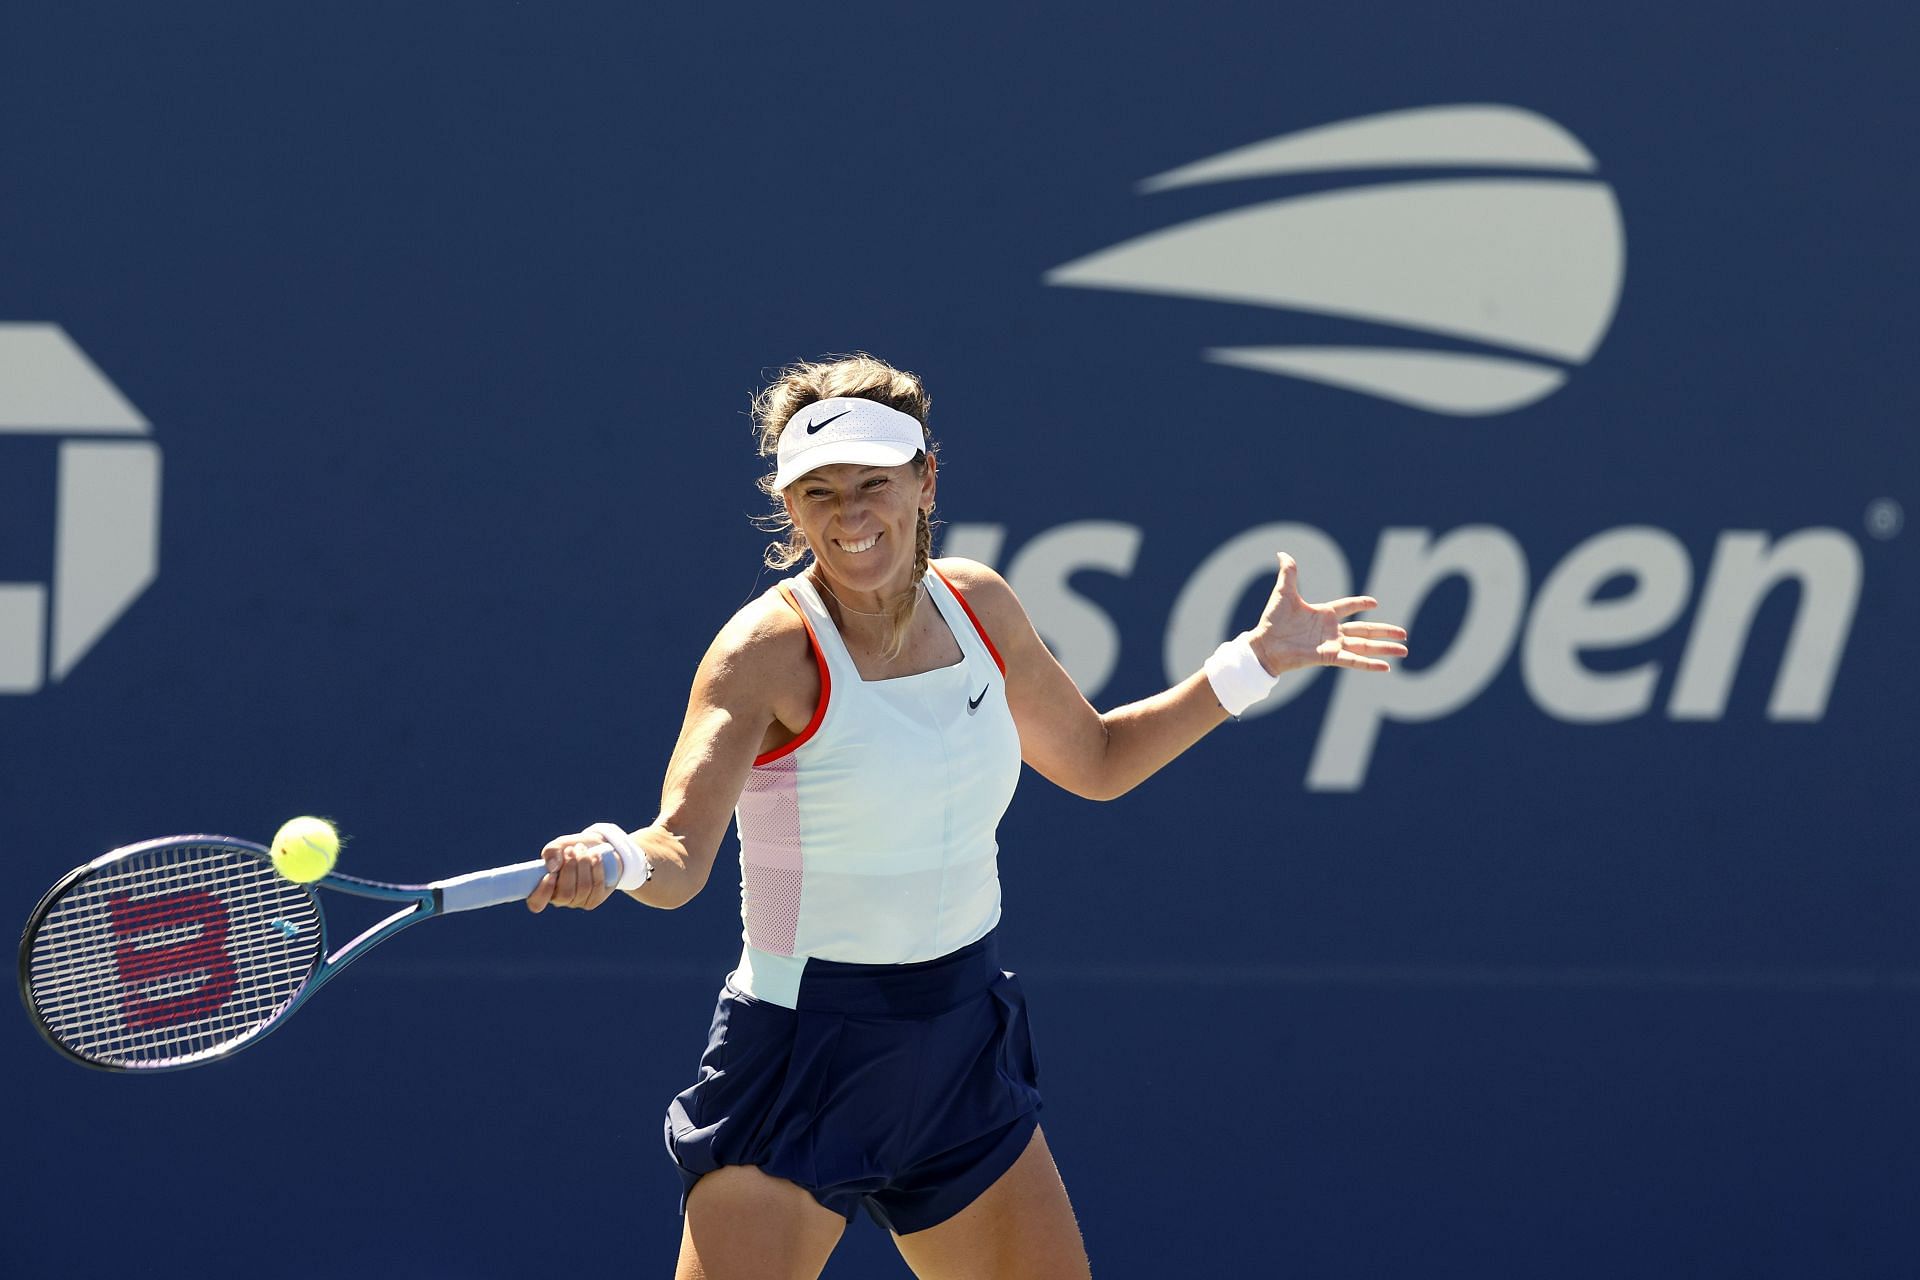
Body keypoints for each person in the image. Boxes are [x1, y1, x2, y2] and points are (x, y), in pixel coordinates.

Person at [526, 354, 1408, 1280]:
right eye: (819, 492)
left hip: (957, 1045)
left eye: (873, 484)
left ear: (924, 480)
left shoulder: (980, 605)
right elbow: (678, 855)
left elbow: (1098, 760)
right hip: (799, 1052)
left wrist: (1251, 665)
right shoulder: (763, 652)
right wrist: (617, 858)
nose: (850, 513)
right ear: (789, 507)